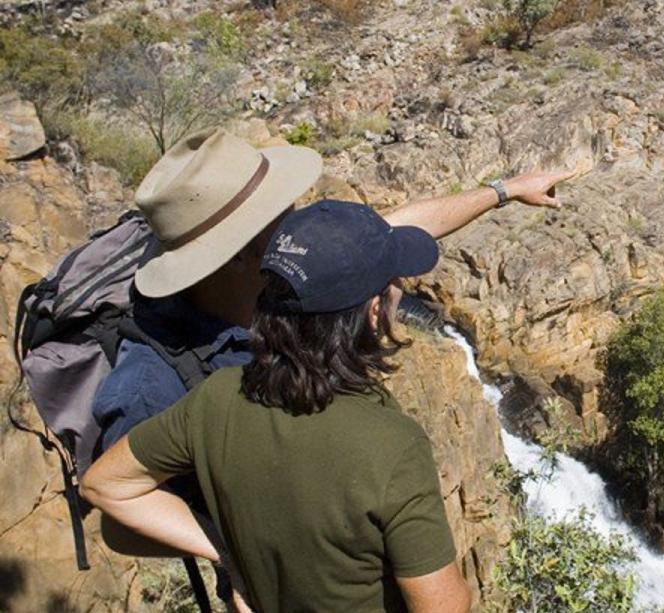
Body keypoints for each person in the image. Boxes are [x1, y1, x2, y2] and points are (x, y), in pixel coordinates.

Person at [90, 128, 574, 557]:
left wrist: (504, 191)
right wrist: (235, 554)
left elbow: (384, 234)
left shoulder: (272, 278)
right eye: (279, 214)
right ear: (236, 253)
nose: (297, 221)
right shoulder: (149, 383)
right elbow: (123, 525)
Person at [82, 200, 470, 612]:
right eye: (395, 285)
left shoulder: (216, 396)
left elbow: (104, 484)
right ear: (374, 314)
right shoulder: (393, 446)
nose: (400, 295)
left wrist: (225, 549)